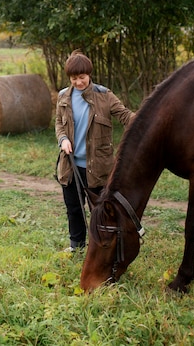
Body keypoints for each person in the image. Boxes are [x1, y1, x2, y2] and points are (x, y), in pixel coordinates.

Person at [55, 51, 135, 252]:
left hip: (98, 168)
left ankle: (102, 249)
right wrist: (63, 139)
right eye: (74, 79)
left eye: (82, 77)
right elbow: (59, 123)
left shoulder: (104, 96)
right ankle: (77, 246)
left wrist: (147, 121)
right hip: (70, 166)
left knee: (100, 212)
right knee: (74, 209)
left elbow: (125, 116)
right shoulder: (63, 97)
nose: (78, 82)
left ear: (89, 74)